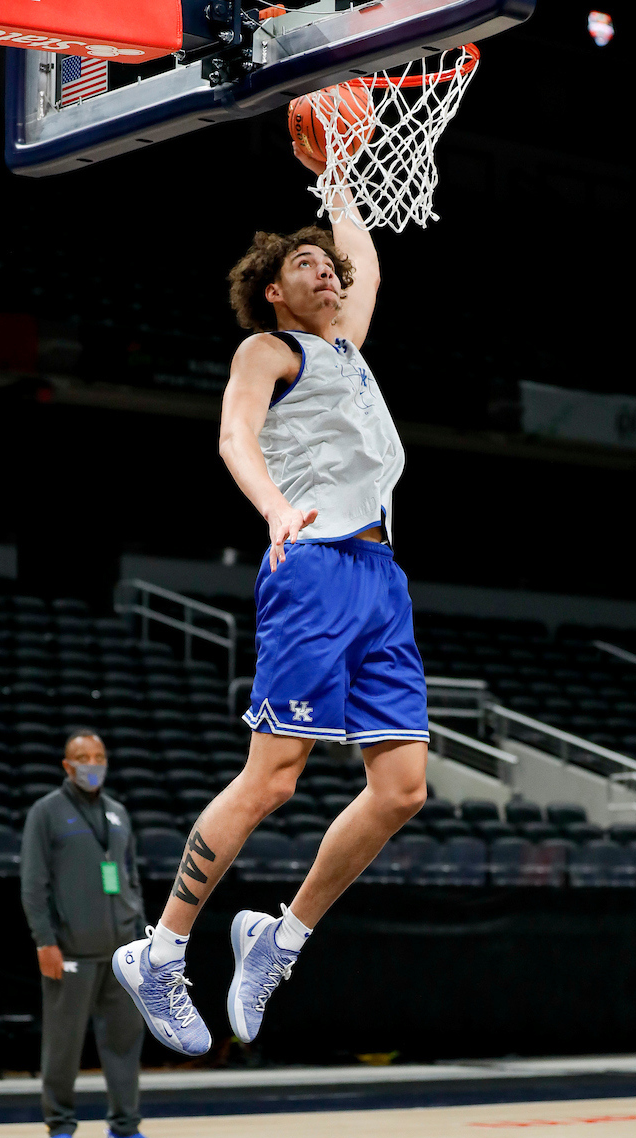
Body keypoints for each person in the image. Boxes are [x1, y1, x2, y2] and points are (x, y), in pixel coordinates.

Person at [112, 146, 429, 1056]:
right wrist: (274, 505)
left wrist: (336, 175)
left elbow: (366, 261)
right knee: (277, 775)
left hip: (381, 577)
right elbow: (233, 435)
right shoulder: (270, 349)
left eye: (327, 263)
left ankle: (277, 936)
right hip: (314, 563)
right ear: (276, 294)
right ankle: (161, 949)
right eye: (305, 264)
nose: (326, 269)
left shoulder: (346, 349)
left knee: (402, 790)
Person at [20, 730, 163, 1138]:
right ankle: (59, 1128)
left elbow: (129, 875)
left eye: (99, 756)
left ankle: (124, 1130)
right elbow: (33, 884)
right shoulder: (45, 813)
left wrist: (139, 936)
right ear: (67, 765)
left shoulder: (118, 813)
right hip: (71, 951)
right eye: (83, 757)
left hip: (122, 951)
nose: (92, 763)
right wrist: (45, 941)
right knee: (62, 1045)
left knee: (124, 1042)